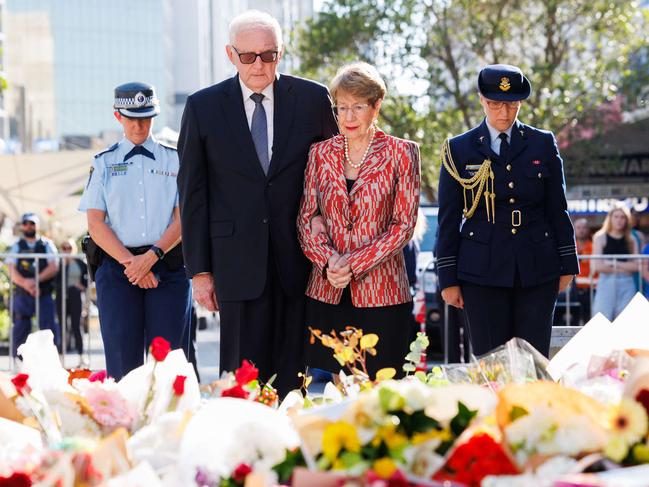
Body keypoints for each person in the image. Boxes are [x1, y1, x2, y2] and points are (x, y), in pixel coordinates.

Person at [177, 10, 338, 395]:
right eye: (248, 56)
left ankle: (289, 452)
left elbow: (333, 177)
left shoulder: (313, 99)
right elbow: (192, 194)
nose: (259, 65)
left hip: (299, 262)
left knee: (293, 382)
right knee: (241, 383)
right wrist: (200, 272)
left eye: (268, 54)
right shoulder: (203, 107)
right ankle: (242, 453)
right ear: (230, 55)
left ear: (281, 53)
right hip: (235, 265)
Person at [436, 64, 578, 357]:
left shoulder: (542, 143)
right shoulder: (458, 149)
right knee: (492, 360)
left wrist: (568, 263)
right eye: (495, 104)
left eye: (512, 105)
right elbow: (448, 218)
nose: (504, 113)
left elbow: (557, 208)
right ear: (481, 100)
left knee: (533, 359)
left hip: (537, 266)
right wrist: (447, 278)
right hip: (480, 270)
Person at [297, 62, 421, 378]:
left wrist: (352, 264)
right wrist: (328, 263)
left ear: (376, 106)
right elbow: (306, 217)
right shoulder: (319, 153)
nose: (348, 117)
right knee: (339, 388)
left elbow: (403, 225)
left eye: (358, 107)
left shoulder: (402, 153)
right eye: (341, 108)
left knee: (383, 388)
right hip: (329, 291)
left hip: (383, 294)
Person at [79, 82, 191, 380]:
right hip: (118, 269)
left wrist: (150, 258)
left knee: (167, 364)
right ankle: (125, 426)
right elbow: (96, 224)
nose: (139, 125)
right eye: (132, 118)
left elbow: (183, 218)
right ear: (118, 117)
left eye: (146, 117)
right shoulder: (103, 163)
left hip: (166, 265)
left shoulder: (175, 158)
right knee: (122, 364)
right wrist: (134, 264)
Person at [7, 213, 60, 357]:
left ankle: (50, 361)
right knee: (20, 327)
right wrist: (26, 284)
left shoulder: (47, 244)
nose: (29, 226)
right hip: (23, 295)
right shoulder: (16, 246)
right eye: (26, 223)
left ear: (37, 226)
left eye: (32, 223)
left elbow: (54, 266)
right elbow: (11, 268)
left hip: (43, 293)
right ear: (22, 226)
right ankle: (18, 363)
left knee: (48, 329)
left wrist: (35, 281)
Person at [591, 205, 638, 321]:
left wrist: (611, 263)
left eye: (623, 217)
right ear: (610, 218)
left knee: (625, 322)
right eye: (616, 216)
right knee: (601, 320)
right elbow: (599, 266)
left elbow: (636, 266)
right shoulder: (600, 237)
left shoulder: (631, 239)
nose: (619, 220)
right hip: (606, 282)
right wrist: (625, 267)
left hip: (627, 283)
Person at [56, 239, 88, 361]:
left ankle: (81, 355)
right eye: (64, 248)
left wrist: (82, 285)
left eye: (68, 247)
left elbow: (88, 276)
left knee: (76, 326)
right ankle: (61, 356)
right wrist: (63, 265)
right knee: (63, 326)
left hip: (75, 296)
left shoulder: (79, 262)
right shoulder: (59, 263)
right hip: (62, 296)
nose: (66, 250)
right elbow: (56, 281)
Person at [573, 218, 595, 324]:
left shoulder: (594, 247)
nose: (581, 230)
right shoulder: (570, 247)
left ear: (588, 230)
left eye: (584, 227)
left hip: (591, 288)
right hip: (573, 289)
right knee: (573, 319)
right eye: (578, 227)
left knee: (589, 319)